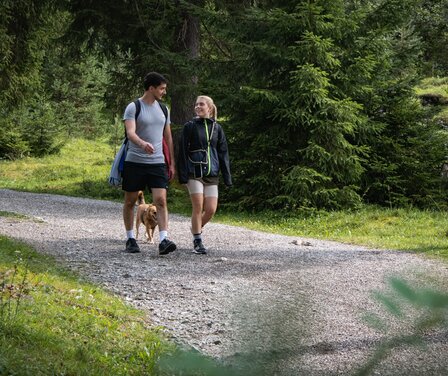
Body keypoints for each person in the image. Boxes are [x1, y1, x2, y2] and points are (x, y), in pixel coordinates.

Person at [122, 72, 177, 255]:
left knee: (161, 200)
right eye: (161, 88)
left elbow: (167, 136)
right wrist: (142, 143)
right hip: (135, 161)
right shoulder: (133, 107)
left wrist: (171, 162)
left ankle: (163, 240)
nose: (164, 92)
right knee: (130, 201)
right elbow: (130, 132)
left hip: (157, 162)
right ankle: (131, 238)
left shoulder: (164, 109)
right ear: (151, 88)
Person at [178, 95, 232, 255]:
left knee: (211, 209)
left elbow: (223, 153)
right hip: (194, 172)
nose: (198, 107)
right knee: (198, 206)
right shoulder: (190, 126)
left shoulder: (217, 128)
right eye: (196, 105)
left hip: (212, 173)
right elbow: (181, 150)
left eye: (201, 104)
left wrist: (227, 177)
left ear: (209, 107)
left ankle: (196, 227)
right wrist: (182, 175)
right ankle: (197, 240)